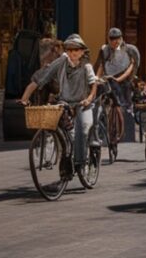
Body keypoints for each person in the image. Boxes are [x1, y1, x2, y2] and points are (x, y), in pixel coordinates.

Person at [18, 34, 98, 171]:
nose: (73, 53)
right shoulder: (61, 61)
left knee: (83, 129)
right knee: (62, 132)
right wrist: (25, 97)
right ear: (66, 50)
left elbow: (93, 85)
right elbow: (42, 77)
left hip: (82, 104)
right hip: (64, 102)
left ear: (82, 51)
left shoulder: (86, 66)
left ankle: (81, 161)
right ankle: (65, 161)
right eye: (70, 50)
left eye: (76, 50)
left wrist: (89, 99)